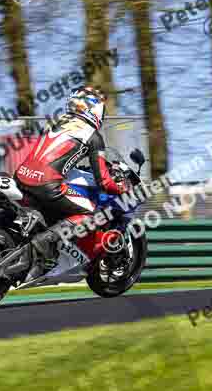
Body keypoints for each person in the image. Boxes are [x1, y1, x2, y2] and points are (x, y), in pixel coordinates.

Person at [13, 86, 127, 276]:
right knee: (92, 213)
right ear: (94, 109)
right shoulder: (92, 135)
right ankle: (46, 241)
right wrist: (121, 188)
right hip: (46, 186)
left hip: (21, 177)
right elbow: (104, 182)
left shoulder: (54, 123)